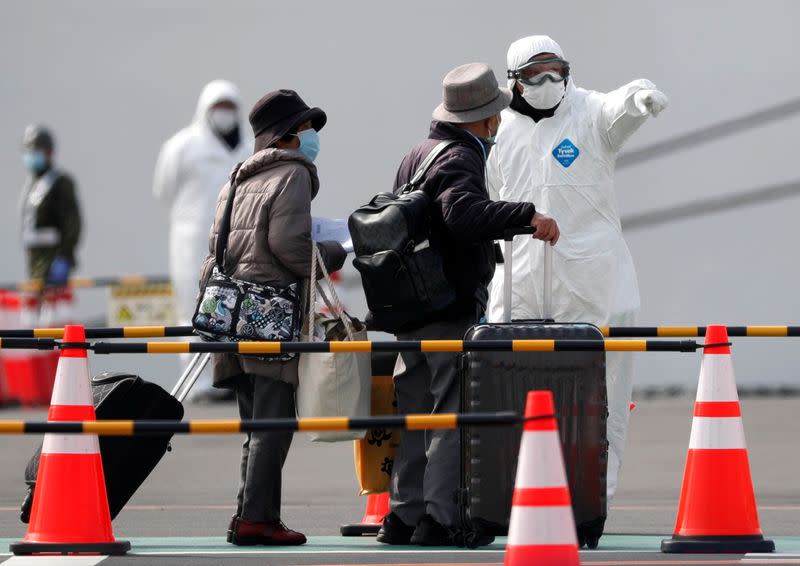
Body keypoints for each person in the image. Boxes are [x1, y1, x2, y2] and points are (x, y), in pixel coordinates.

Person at [376, 63, 559, 547]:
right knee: (451, 413)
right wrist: (527, 214)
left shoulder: (418, 153)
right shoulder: (460, 156)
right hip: (445, 305)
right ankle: (440, 518)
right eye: (495, 117)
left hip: (408, 309)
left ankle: (402, 515)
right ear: (485, 121)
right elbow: (461, 216)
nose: (498, 125)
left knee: (415, 415)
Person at [486, 35, 669, 500]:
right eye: (535, 72)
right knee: (514, 394)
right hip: (519, 285)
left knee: (602, 400)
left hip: (593, 284)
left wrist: (640, 99)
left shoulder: (589, 114)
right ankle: (518, 497)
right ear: (515, 80)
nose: (549, 81)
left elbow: (619, 106)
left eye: (557, 70)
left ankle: (593, 500)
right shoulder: (498, 128)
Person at [198, 89, 346, 546]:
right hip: (271, 316)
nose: (312, 137)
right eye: (306, 129)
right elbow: (288, 246)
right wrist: (334, 252)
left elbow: (217, 248)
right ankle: (256, 518)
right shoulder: (293, 175)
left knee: (255, 424)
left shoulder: (236, 179)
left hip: (231, 316)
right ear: (286, 136)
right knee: (274, 424)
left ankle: (250, 513)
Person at [153, 80, 251, 402]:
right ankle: (197, 386)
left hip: (235, 237)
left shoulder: (247, 147)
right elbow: (163, 190)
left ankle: (228, 378)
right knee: (192, 306)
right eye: (218, 107)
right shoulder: (182, 146)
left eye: (229, 107)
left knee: (232, 306)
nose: (224, 114)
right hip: (191, 239)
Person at [19, 125, 82, 287]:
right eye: (28, 150)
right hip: (35, 262)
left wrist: (65, 257)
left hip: (54, 260)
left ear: (49, 152)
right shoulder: (31, 184)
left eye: (36, 150)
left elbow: (73, 224)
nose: (31, 155)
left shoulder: (60, 182)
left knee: (56, 310)